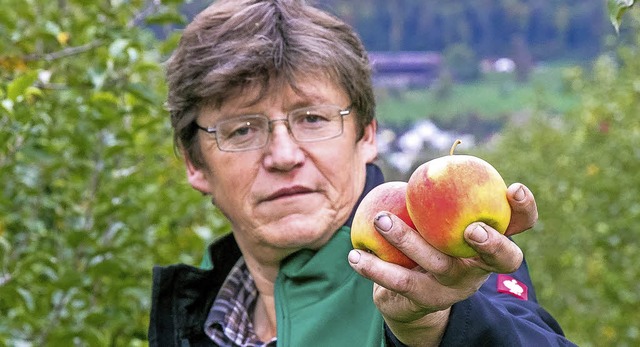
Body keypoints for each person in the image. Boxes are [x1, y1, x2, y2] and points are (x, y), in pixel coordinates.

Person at [148, 0, 576, 346]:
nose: (283, 155)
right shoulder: (194, 312)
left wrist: (436, 328)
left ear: (366, 134)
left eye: (312, 119)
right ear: (195, 163)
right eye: (241, 129)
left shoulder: (440, 260)